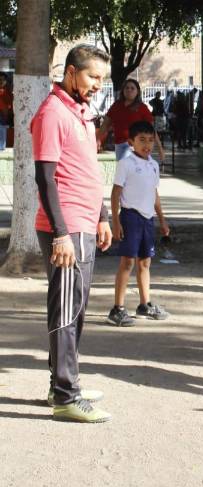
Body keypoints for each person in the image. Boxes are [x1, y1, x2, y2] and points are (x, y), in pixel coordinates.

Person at [32, 44, 113, 422]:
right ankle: (65, 395)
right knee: (65, 311)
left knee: (76, 310)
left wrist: (102, 216)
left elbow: (88, 170)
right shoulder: (52, 113)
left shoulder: (81, 112)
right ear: (70, 72)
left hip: (84, 222)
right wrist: (61, 234)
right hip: (64, 227)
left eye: (102, 78)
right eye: (93, 76)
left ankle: (63, 383)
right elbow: (45, 178)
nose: (98, 84)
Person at [107, 120, 170, 327]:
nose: (147, 145)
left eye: (151, 140)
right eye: (142, 140)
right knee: (128, 262)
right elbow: (116, 193)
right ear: (130, 142)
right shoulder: (126, 163)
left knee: (145, 262)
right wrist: (115, 221)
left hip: (147, 219)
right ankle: (118, 308)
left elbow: (155, 194)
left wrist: (162, 220)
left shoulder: (153, 165)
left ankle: (145, 304)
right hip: (130, 217)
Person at [97, 79, 164, 162]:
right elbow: (105, 125)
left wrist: (160, 148)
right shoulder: (116, 106)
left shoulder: (142, 108)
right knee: (124, 171)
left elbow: (151, 129)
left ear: (137, 91)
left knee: (132, 170)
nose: (129, 90)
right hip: (119, 145)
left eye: (132, 88)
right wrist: (96, 140)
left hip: (135, 146)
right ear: (123, 90)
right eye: (127, 88)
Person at [0, 72, 13, 151]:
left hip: (3, 113)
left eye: (2, 80)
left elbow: (9, 102)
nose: (1, 81)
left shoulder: (7, 91)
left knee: (2, 128)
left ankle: (1, 147)